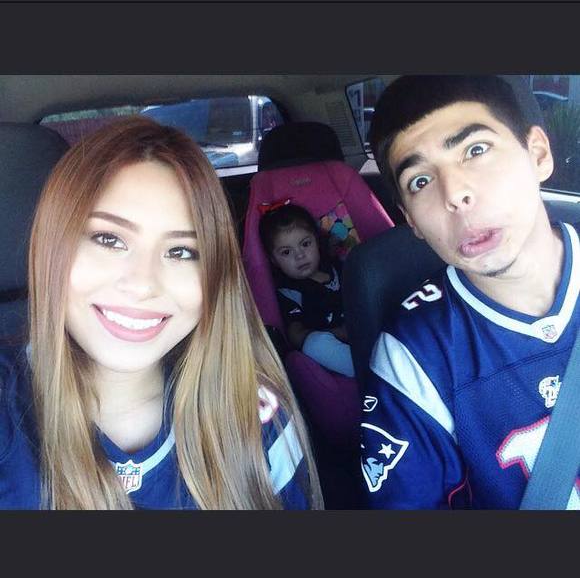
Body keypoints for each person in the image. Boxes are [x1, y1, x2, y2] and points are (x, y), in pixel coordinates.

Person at [0, 116, 323, 510]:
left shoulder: (254, 414)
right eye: (108, 239)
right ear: (51, 245)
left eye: (180, 252)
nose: (143, 284)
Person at [360, 75, 579, 509]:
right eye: (420, 181)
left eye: (476, 151)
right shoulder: (413, 359)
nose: (455, 194)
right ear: (411, 221)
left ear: (537, 155)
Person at [259, 202, 355, 378]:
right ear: (273, 260)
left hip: (364, 331)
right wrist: (338, 334)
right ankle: (368, 371)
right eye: (286, 252)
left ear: (316, 241)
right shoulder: (289, 291)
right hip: (333, 349)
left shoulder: (336, 267)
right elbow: (296, 336)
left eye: (305, 244)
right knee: (313, 344)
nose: (299, 255)